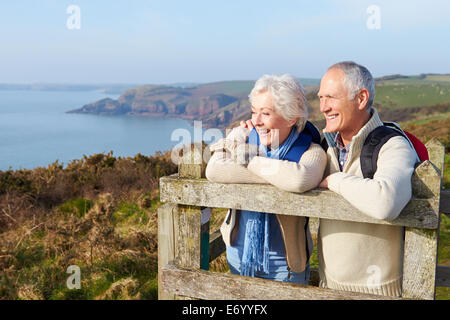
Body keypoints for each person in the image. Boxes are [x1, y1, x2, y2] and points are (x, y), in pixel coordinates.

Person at [206, 74, 327, 285]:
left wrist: (247, 160)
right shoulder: (244, 139)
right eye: (254, 112)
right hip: (238, 255)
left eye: (266, 113)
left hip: (285, 266)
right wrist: (236, 135)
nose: (256, 121)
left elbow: (299, 179)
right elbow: (214, 170)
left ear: (291, 117)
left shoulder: (311, 151)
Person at [316, 61, 418, 296]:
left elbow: (386, 203)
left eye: (330, 97)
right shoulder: (325, 145)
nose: (323, 107)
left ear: (361, 99)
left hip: (377, 291)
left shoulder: (393, 145)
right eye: (320, 98)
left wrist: (335, 180)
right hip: (326, 286)